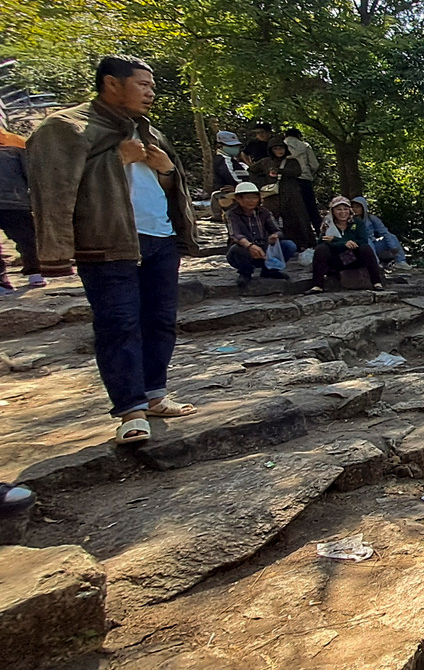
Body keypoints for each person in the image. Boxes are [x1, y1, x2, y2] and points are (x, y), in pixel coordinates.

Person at [29, 55, 198, 444]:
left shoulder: (147, 129)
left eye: (152, 86)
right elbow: (53, 189)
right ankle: (130, 411)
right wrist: (117, 159)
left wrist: (167, 170)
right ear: (111, 83)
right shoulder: (67, 127)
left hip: (159, 237)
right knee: (119, 325)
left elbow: (169, 187)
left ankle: (155, 395)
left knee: (160, 322)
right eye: (143, 85)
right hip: (108, 243)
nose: (151, 93)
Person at [225, 183, 298, 286]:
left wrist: (275, 236)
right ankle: (245, 273)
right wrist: (250, 246)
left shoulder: (264, 212)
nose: (251, 201)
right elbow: (235, 234)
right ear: (239, 199)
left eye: (254, 198)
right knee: (237, 249)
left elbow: (277, 230)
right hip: (243, 251)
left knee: (289, 245)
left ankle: (270, 270)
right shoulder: (232, 214)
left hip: (264, 249)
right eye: (248, 198)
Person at [246, 138, 314, 249]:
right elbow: (252, 171)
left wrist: (280, 171)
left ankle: (301, 244)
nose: (279, 151)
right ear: (271, 150)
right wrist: (261, 183)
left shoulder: (291, 161)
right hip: (272, 195)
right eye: (276, 148)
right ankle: (267, 244)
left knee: (297, 220)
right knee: (269, 219)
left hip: (291, 194)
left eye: (281, 148)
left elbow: (297, 172)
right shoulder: (265, 162)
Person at [308, 196, 384, 293]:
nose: (343, 212)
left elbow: (363, 240)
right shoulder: (328, 223)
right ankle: (317, 285)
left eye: (345, 209)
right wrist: (343, 243)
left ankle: (376, 282)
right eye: (338, 209)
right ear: (333, 211)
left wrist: (335, 240)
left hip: (353, 258)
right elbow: (323, 241)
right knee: (321, 249)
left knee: (366, 248)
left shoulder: (357, 222)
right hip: (335, 259)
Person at [0, 125, 44, 288]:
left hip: (16, 202)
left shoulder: (17, 142)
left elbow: (31, 173)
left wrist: (35, 198)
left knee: (27, 239)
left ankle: (35, 272)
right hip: (16, 201)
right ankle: (2, 282)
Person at [281, 127, 321, 229]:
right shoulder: (305, 146)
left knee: (291, 209)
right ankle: (320, 232)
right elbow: (314, 165)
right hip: (304, 179)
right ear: (299, 135)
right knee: (311, 208)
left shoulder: (280, 146)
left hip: (287, 180)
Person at [350, 196, 404, 268]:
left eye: (357, 207)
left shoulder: (371, 218)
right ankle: (375, 264)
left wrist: (392, 246)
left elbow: (384, 232)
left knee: (392, 237)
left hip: (374, 244)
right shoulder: (350, 220)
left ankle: (400, 261)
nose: (354, 209)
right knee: (367, 241)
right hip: (359, 246)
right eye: (353, 207)